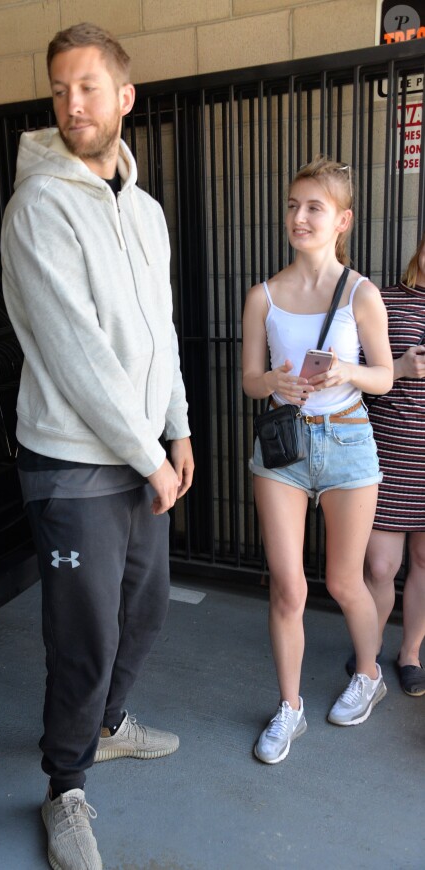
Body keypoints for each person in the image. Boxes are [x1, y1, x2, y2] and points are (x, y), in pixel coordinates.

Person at [0, 22, 194, 870]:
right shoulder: (38, 206)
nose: (71, 104)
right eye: (58, 89)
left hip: (142, 451)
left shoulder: (144, 212)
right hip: (74, 460)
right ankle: (64, 788)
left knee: (142, 611)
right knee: (83, 633)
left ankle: (109, 725)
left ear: (125, 98)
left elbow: (163, 333)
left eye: (87, 87)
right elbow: (76, 352)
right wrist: (148, 453)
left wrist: (177, 428)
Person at [242, 155, 394, 765]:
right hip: (283, 446)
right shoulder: (263, 296)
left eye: (314, 208)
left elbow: (383, 376)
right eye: (292, 204)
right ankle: (290, 709)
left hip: (349, 440)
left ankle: (368, 674)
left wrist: (345, 369)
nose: (298, 217)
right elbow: (248, 380)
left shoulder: (361, 292)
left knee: (344, 581)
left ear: (342, 220)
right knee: (288, 587)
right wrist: (274, 382)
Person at [350, 234, 425, 696]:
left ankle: (411, 653)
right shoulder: (384, 300)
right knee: (379, 566)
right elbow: (356, 370)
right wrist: (399, 365)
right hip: (390, 452)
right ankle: (368, 651)